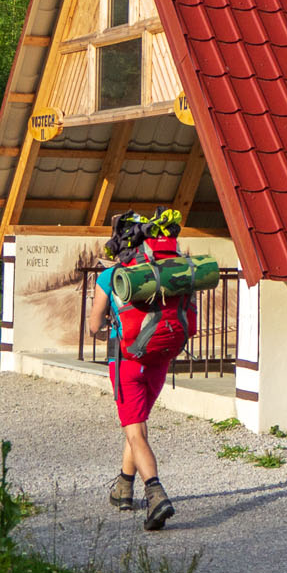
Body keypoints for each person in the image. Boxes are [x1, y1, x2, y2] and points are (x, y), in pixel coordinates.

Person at [85, 210, 192, 530]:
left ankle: (156, 493)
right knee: (139, 422)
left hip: (127, 360)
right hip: (160, 355)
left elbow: (93, 326)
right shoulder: (165, 271)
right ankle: (123, 487)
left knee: (134, 430)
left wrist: (105, 331)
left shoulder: (110, 277)